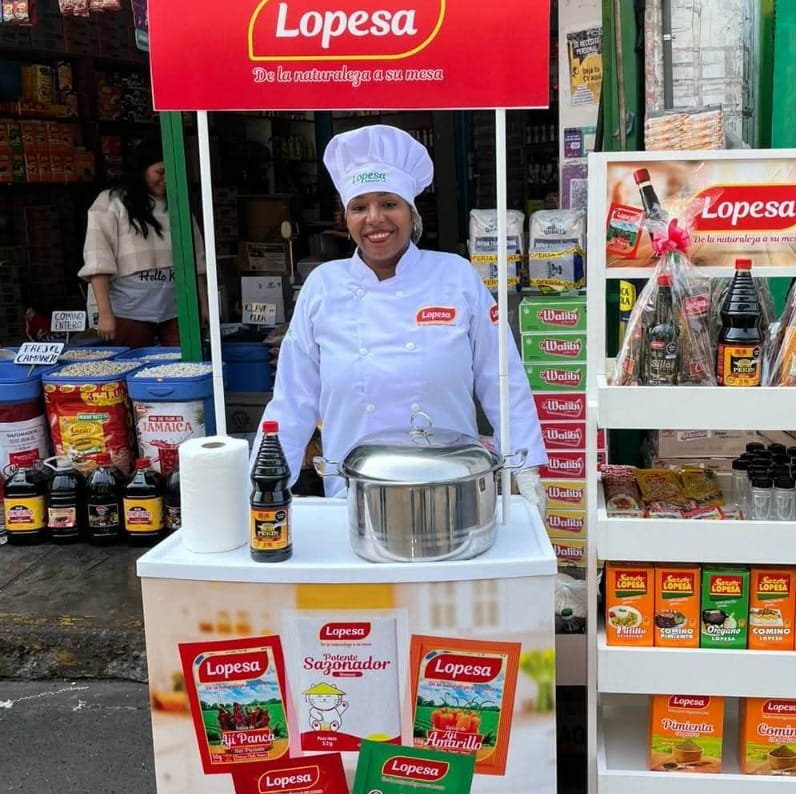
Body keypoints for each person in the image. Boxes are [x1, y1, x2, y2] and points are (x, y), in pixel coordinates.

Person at [262, 125, 547, 515]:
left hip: (452, 494)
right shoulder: (323, 287)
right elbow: (293, 402)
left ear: (412, 213)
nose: (374, 219)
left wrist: (525, 463)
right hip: (354, 499)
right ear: (346, 218)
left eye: (388, 203)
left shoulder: (456, 276)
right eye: (359, 207)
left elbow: (501, 378)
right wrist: (264, 487)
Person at [79, 140, 205, 348]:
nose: (166, 179)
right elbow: (98, 262)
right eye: (160, 172)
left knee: (183, 362)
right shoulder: (111, 202)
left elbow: (196, 258)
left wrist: (203, 304)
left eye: (172, 172)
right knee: (133, 361)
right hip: (129, 310)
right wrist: (105, 314)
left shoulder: (177, 204)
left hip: (177, 307)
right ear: (141, 170)